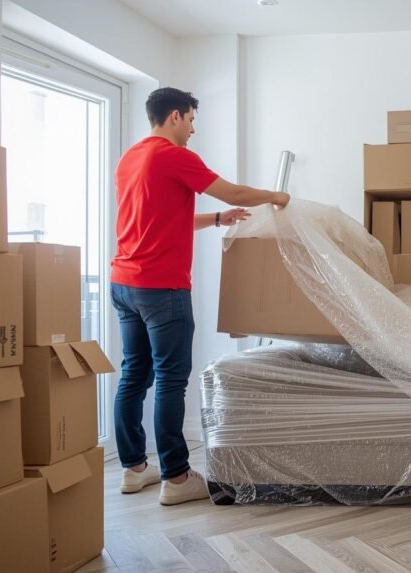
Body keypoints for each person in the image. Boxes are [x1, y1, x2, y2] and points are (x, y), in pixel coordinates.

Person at [111, 87, 290, 505]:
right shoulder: (175, 156)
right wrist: (276, 196)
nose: (193, 129)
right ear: (175, 116)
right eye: (191, 119)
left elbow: (162, 220)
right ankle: (176, 478)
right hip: (162, 288)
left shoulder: (131, 158)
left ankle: (133, 469)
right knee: (171, 379)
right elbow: (234, 192)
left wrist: (216, 220)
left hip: (125, 283)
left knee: (134, 374)